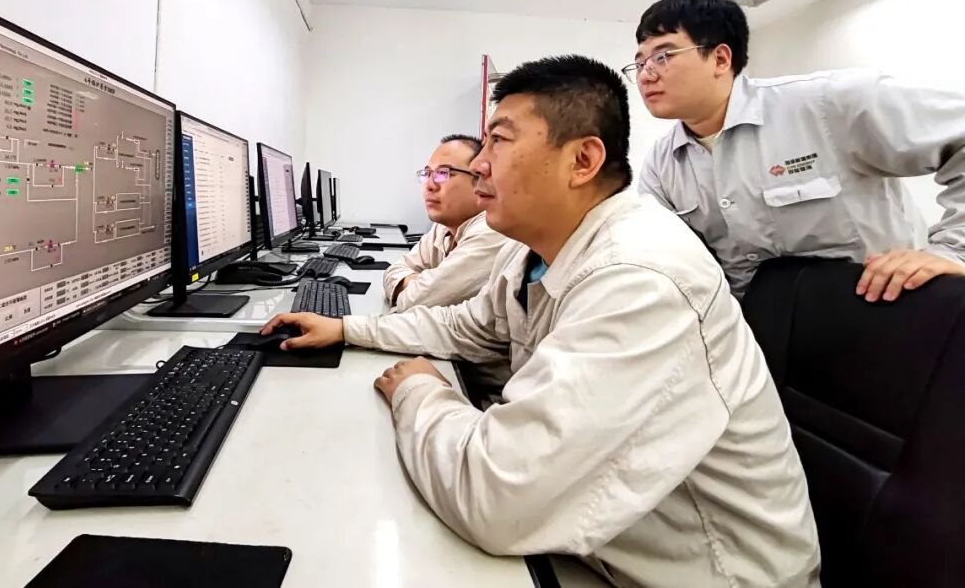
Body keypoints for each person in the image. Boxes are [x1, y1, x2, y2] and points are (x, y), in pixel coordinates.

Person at [263, 55, 821, 587]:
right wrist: (348, 329)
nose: (479, 165)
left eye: (500, 141)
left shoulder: (641, 278)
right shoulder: (535, 249)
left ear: (582, 161)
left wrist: (420, 392)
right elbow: (462, 326)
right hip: (603, 540)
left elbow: (496, 498)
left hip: (693, 574)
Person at [631, 0, 965, 300]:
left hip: (884, 308)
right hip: (762, 331)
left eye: (663, 56)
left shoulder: (828, 104)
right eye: (640, 63)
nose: (646, 75)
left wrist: (953, 251)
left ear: (720, 59)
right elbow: (667, 260)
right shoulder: (662, 165)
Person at [383, 134, 506, 310]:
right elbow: (394, 270)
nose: (430, 185)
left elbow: (416, 301)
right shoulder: (443, 227)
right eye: (427, 174)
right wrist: (422, 284)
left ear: (480, 179)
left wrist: (417, 285)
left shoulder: (490, 232)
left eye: (443, 173)